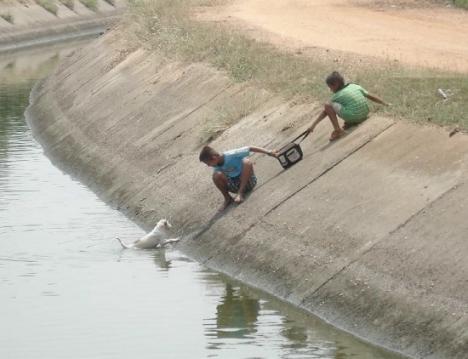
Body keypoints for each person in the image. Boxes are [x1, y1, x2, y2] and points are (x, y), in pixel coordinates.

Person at [307, 71, 389, 141]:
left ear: (335, 85)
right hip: (365, 114)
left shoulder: (336, 96)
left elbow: (326, 111)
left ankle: (338, 130)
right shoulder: (355, 86)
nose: (330, 90)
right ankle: (351, 122)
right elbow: (370, 96)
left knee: (328, 105)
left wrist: (313, 125)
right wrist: (384, 103)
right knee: (342, 105)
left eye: (330, 87)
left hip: (354, 116)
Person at [199, 145, 277, 210]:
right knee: (215, 176)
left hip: (249, 182)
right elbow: (220, 177)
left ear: (214, 158)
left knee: (246, 162)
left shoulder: (230, 154)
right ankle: (228, 198)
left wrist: (268, 152)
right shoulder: (217, 165)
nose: (208, 166)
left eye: (208, 163)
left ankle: (240, 193)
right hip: (234, 186)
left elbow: (250, 148)